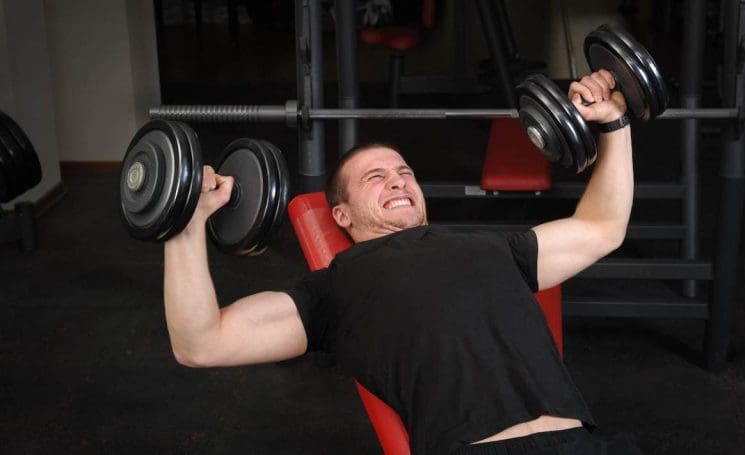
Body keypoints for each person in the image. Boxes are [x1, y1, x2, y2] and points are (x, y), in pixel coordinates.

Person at [163, 70, 642, 454]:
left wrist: (614, 123)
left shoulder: (497, 247)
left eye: (404, 172)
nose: (397, 181)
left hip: (586, 444)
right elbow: (202, 344)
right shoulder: (334, 289)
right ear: (341, 215)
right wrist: (185, 222)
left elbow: (603, 227)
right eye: (375, 177)